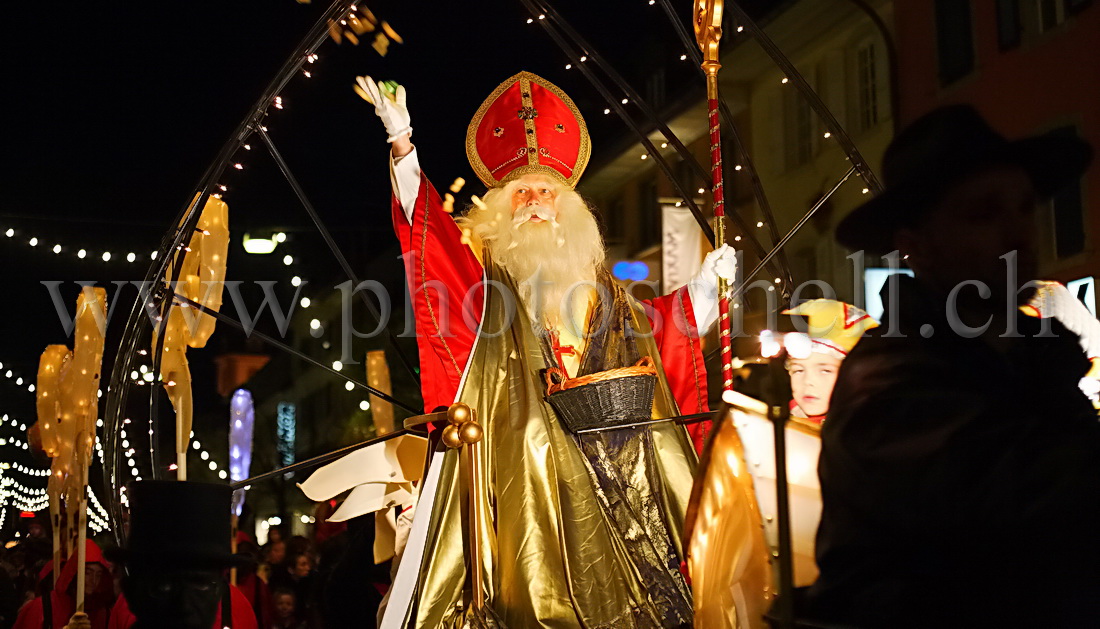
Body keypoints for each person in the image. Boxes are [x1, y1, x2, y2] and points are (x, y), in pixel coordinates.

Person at [360, 72, 735, 627]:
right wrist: (403, 146)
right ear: (502, 211)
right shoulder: (484, 295)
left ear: (570, 210)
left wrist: (702, 293)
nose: (536, 201)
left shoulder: (608, 295)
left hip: (624, 491)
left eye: (548, 192)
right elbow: (432, 238)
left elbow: (656, 336)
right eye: (521, 193)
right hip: (528, 491)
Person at [807, 105, 1100, 627]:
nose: (1019, 234)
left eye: (1025, 207)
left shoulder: (1031, 354)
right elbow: (1030, 495)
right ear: (915, 245)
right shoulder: (889, 381)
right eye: (983, 214)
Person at [106, 481, 257, 629]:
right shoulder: (122, 610)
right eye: (163, 586)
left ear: (220, 592)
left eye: (200, 584)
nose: (184, 606)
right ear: (131, 592)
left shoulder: (238, 606)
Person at [781, 299, 878, 422]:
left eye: (825, 371)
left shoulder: (870, 431)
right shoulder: (779, 421)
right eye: (798, 370)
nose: (808, 381)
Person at [12, 540, 115, 629]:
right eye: (87, 573)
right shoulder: (42, 608)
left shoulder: (104, 614)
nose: (93, 580)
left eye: (98, 574)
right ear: (75, 573)